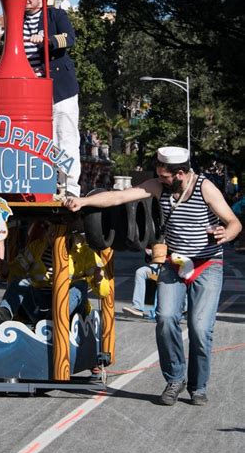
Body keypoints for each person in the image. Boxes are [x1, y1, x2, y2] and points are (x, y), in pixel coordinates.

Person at [65, 146, 242, 406]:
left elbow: (233, 221)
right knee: (165, 318)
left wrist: (227, 234)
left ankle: (198, 387)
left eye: (165, 177)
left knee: (200, 329)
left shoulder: (205, 187)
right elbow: (119, 197)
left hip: (207, 264)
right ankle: (175, 379)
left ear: (180, 173)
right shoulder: (160, 186)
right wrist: (84, 201)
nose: (161, 181)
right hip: (175, 263)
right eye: (159, 176)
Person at [0, 223, 109, 326]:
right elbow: (17, 270)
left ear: (69, 234)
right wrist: (6, 270)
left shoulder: (84, 252)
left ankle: (55, 317)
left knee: (80, 285)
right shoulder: (37, 247)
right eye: (50, 232)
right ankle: (4, 313)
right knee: (22, 282)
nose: (52, 236)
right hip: (40, 306)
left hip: (70, 309)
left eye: (58, 232)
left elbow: (104, 291)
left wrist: (98, 280)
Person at [23, 0, 81, 197]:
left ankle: (70, 189)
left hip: (59, 89)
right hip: (30, 93)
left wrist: (49, 40)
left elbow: (69, 39)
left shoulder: (56, 15)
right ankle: (43, 187)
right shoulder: (16, 21)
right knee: (36, 141)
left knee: (65, 138)